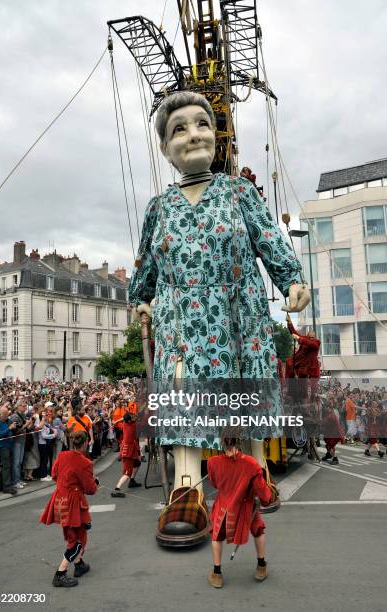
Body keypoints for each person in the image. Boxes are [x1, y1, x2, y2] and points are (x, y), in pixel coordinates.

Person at [128, 91, 310, 491]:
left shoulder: (239, 192)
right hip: (182, 321)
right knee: (183, 388)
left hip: (238, 312)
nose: (193, 135)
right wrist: (140, 300)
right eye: (179, 130)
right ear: (165, 148)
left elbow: (269, 240)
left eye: (202, 124)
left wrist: (291, 279)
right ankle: (187, 488)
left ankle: (256, 472)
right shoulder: (158, 208)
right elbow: (144, 267)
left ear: (216, 135)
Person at [207, 429, 276, 588]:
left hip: (224, 507)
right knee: (258, 530)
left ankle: (217, 574)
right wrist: (267, 499)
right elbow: (263, 493)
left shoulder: (212, 462)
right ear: (239, 440)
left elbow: (215, 483)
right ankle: (261, 565)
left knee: (216, 536)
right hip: (246, 508)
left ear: (222, 441)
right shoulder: (251, 463)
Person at [40, 430, 98, 587]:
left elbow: (54, 475)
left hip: (59, 499)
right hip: (74, 503)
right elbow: (90, 489)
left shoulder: (62, 455)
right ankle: (60, 574)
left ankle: (79, 565)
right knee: (78, 539)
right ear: (86, 443)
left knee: (73, 533)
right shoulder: (85, 463)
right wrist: (94, 483)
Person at [111, 412, 141, 498]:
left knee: (137, 464)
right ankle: (117, 489)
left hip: (131, 449)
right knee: (127, 473)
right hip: (128, 452)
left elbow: (122, 420)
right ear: (129, 421)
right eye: (132, 417)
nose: (134, 417)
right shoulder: (132, 426)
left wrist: (118, 420)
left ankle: (132, 480)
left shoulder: (125, 423)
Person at [0, 405, 18, 495]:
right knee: (6, 466)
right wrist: (9, 428)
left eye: (7, 413)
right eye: (5, 414)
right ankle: (7, 487)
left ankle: (1, 486)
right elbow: (0, 434)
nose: (7, 415)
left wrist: (12, 427)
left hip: (9, 445)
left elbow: (12, 431)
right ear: (0, 415)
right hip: (3, 447)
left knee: (7, 466)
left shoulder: (7, 421)